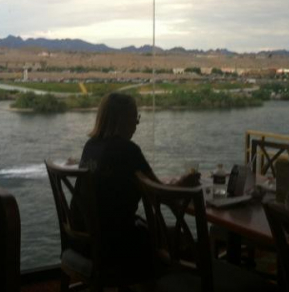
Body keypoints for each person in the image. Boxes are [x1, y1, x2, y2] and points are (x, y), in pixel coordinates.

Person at [71, 92, 199, 274]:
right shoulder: (128, 150)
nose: (137, 124)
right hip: (113, 248)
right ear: (122, 119)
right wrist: (183, 183)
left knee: (162, 234)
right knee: (182, 240)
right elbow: (160, 194)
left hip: (82, 241)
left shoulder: (90, 145)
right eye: (135, 117)